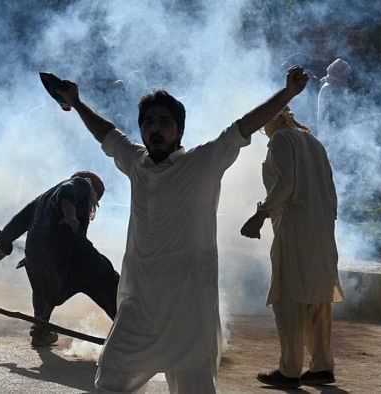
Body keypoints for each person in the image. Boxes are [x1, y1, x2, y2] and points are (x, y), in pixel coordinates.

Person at [52, 66, 309, 393]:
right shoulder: (136, 162)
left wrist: (287, 94)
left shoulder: (202, 162)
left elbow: (242, 127)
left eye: (163, 122)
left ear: (179, 131)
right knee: (110, 381)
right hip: (139, 307)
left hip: (189, 310)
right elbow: (107, 133)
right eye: (147, 123)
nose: (154, 129)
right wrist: (76, 102)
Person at [240, 107, 343, 388]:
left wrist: (260, 215)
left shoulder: (282, 140)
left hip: (296, 228)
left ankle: (289, 370)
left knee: (288, 298)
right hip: (322, 230)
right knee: (318, 299)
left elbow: (286, 182)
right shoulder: (314, 142)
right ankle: (322, 367)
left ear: (274, 120)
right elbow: (332, 192)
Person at [0, 171, 119, 347]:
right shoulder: (82, 184)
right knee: (110, 282)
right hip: (71, 254)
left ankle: (40, 331)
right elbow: (67, 190)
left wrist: (2, 246)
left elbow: (18, 221)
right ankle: (129, 331)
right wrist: (71, 215)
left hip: (37, 258)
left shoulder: (42, 199)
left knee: (44, 294)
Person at [316, 58, 352, 137]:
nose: (346, 80)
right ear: (338, 74)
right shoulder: (328, 89)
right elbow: (327, 116)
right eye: (345, 77)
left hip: (337, 132)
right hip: (329, 134)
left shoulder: (335, 88)